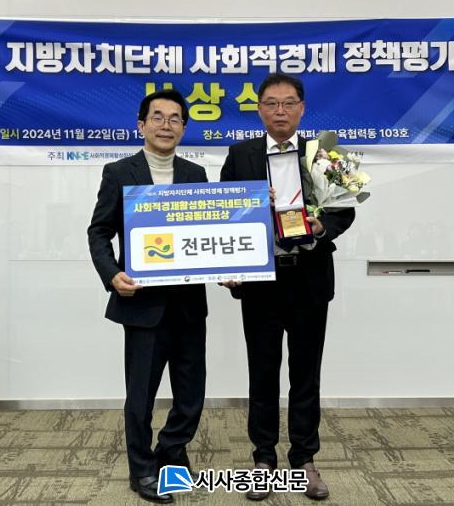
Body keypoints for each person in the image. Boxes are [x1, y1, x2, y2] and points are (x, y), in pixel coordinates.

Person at [220, 73, 355, 501]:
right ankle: (263, 459)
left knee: (305, 375)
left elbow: (345, 209)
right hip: (262, 280)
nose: (280, 111)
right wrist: (246, 219)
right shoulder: (239, 154)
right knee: (262, 374)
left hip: (308, 278)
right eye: (271, 103)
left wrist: (322, 225)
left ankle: (304, 459)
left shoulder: (325, 154)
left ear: (302, 108)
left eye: (289, 103)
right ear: (259, 109)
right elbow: (226, 212)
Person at [88, 89, 207, 504]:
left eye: (175, 119)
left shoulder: (195, 175)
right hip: (142, 305)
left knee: (191, 396)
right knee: (140, 397)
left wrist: (231, 267)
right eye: (158, 117)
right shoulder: (119, 172)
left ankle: (171, 452)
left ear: (183, 129)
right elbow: (99, 231)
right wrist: (111, 274)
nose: (166, 125)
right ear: (142, 125)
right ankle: (141, 470)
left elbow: (208, 232)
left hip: (189, 304)